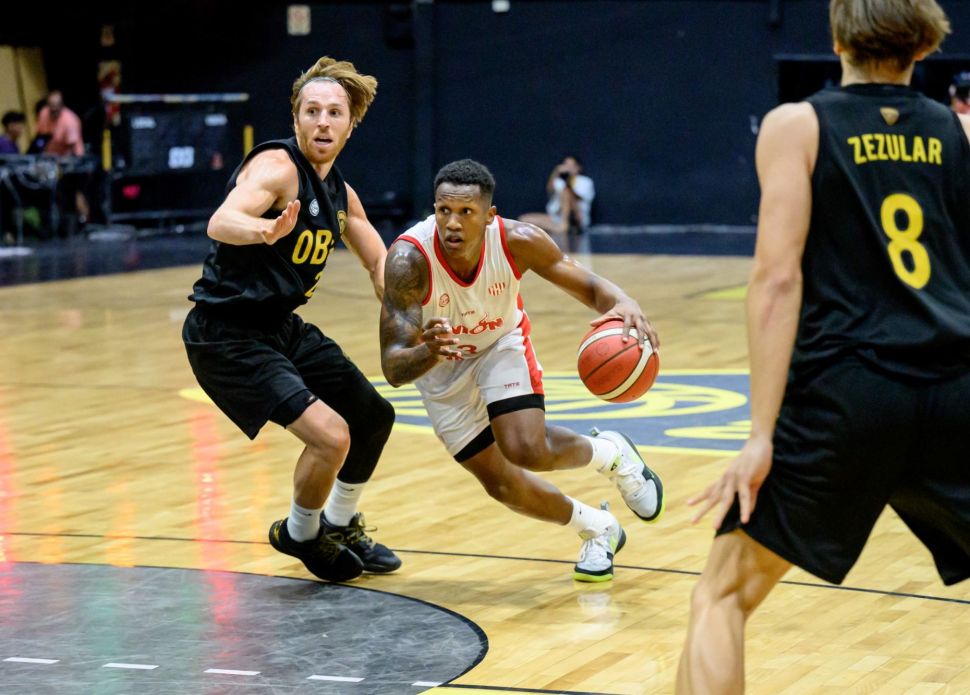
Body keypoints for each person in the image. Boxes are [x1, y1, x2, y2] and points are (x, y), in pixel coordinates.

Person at [677, 1, 970, 692]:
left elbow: (777, 280)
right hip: (956, 388)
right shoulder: (959, 132)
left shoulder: (797, 125)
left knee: (721, 595)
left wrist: (760, 435)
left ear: (838, 38)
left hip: (848, 392)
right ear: (924, 45)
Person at [380, 158, 664, 582]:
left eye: (466, 212)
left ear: (489, 216)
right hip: (441, 365)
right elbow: (393, 366)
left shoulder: (518, 240)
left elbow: (587, 285)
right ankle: (598, 527)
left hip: (499, 344)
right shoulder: (408, 260)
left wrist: (624, 302)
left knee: (526, 448)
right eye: (444, 210)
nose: (453, 223)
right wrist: (429, 352)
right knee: (502, 486)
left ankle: (613, 455)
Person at [182, 57, 400, 583]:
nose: (323, 122)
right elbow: (222, 220)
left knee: (373, 417)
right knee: (331, 436)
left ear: (351, 125)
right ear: (296, 118)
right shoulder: (277, 168)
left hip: (279, 327)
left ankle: (339, 524)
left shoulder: (340, 193)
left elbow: (378, 261)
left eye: (334, 113)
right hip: (227, 333)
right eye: (312, 111)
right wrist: (263, 231)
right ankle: (301, 533)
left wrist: (408, 310)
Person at [519, 155, 595, 251]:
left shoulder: (585, 181)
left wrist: (568, 184)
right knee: (524, 220)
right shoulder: (559, 181)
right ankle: (557, 229)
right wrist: (556, 172)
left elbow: (578, 198)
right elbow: (550, 189)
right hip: (556, 217)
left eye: (571, 166)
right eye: (566, 165)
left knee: (566, 192)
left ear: (578, 168)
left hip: (576, 219)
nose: (568, 168)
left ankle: (564, 226)